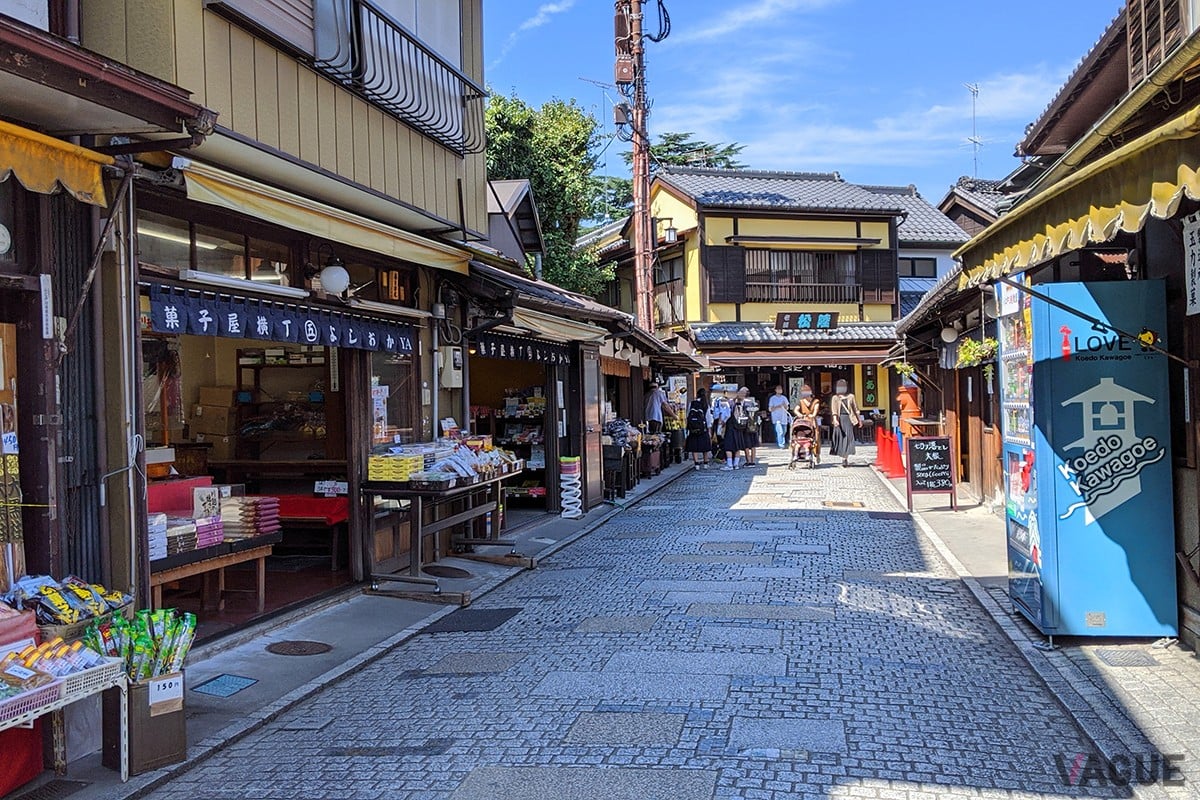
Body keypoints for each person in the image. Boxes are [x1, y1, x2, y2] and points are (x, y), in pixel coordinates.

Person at [829, 379, 862, 467]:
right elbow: (834, 410)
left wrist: (859, 420)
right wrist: (835, 420)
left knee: (848, 438)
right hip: (840, 420)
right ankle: (842, 456)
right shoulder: (835, 398)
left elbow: (856, 409)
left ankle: (845, 458)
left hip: (849, 419)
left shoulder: (851, 396)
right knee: (840, 438)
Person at [684, 388, 713, 470]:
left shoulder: (692, 403)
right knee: (705, 447)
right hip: (703, 428)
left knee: (694, 446)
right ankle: (705, 463)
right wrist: (709, 429)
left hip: (693, 428)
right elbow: (708, 418)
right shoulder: (705, 404)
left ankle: (696, 464)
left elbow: (688, 415)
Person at [793, 383, 821, 463]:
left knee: (816, 437)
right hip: (803, 421)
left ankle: (817, 454)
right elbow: (796, 410)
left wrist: (812, 415)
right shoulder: (801, 402)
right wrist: (799, 415)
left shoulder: (815, 401)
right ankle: (800, 454)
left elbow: (815, 411)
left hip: (812, 422)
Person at [739, 387, 761, 466]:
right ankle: (753, 461)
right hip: (753, 425)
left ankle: (748, 461)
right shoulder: (752, 402)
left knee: (746, 445)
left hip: (746, 425)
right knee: (753, 445)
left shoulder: (743, 403)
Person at [710, 384, 731, 461]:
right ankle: (720, 455)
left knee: (720, 439)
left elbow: (723, 412)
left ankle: (721, 456)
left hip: (720, 422)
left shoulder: (722, 400)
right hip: (719, 421)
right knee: (719, 439)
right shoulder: (717, 400)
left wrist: (721, 421)